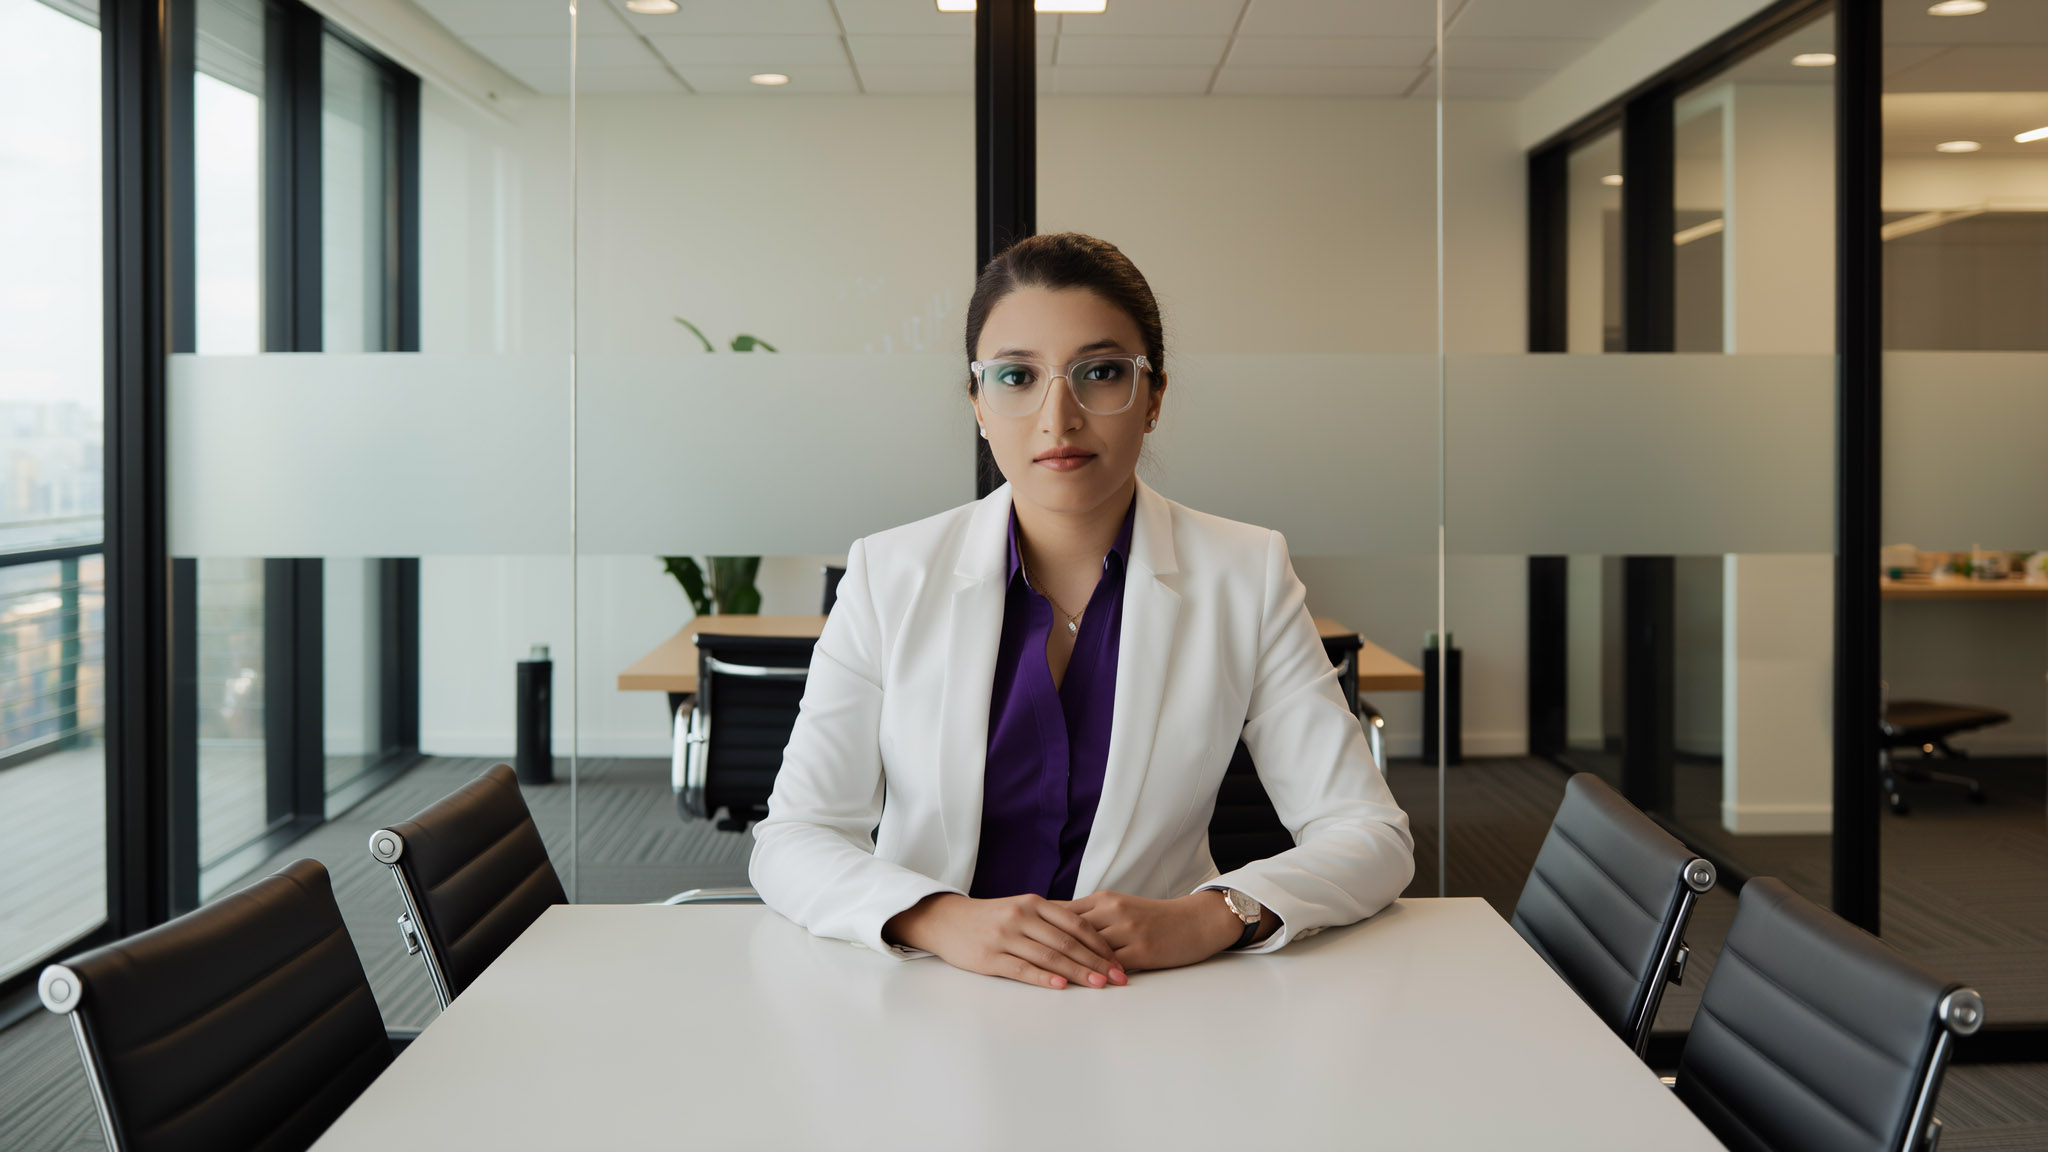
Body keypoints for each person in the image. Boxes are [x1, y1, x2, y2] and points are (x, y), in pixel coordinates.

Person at [749, 232, 1413, 990]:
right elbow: (793, 837)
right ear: (977, 402)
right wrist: (937, 916)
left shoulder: (1245, 572)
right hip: (934, 988)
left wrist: (1211, 913)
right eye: (1016, 376)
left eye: (1099, 373)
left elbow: (1369, 835)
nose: (1056, 417)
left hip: (1152, 994)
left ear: (1154, 395)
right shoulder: (888, 573)